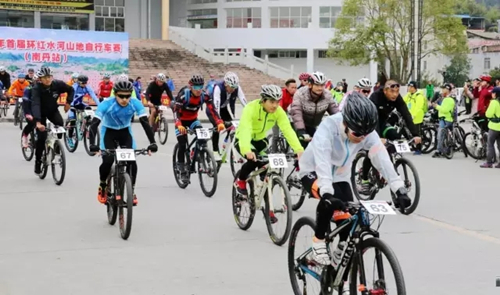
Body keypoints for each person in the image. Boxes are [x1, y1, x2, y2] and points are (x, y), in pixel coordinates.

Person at [299, 92, 411, 267]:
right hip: (313, 170)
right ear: (345, 123)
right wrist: (326, 192)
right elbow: (322, 161)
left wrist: (399, 188)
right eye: (358, 133)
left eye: (366, 134)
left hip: (341, 174)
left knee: (347, 222)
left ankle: (337, 269)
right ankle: (318, 241)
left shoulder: (366, 132)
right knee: (329, 202)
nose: (362, 137)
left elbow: (381, 159)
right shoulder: (328, 128)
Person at [234, 85, 304, 221]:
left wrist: (299, 149)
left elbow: (288, 130)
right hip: (243, 139)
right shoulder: (251, 108)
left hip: (260, 140)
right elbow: (245, 129)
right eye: (272, 102)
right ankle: (241, 181)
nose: (275, 105)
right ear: (263, 100)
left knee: (267, 174)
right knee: (253, 161)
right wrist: (247, 150)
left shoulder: (278, 112)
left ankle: (268, 208)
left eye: (278, 102)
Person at [88, 80, 157, 205]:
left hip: (125, 132)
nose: (125, 99)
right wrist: (93, 144)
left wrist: (153, 142)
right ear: (115, 94)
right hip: (108, 131)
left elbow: (145, 123)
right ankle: (103, 184)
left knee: (132, 162)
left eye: (127, 96)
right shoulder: (106, 103)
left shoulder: (135, 103)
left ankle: (132, 189)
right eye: (121, 96)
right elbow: (94, 124)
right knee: (108, 160)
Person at [358, 80, 422, 195]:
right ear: (385, 90)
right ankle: (365, 180)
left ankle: (389, 166)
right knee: (372, 150)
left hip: (383, 123)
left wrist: (415, 134)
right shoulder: (376, 97)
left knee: (396, 136)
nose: (395, 95)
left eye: (397, 92)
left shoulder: (397, 98)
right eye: (392, 91)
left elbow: (406, 115)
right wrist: (377, 138)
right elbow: (374, 118)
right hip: (370, 123)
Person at [173, 74, 224, 181]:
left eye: (200, 87)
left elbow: (212, 109)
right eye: (196, 87)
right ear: (191, 86)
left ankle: (196, 152)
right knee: (182, 144)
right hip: (181, 121)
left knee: (203, 138)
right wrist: (179, 125)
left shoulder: (204, 95)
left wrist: (219, 122)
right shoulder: (183, 95)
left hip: (193, 121)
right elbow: (175, 111)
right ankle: (181, 168)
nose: (198, 90)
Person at [31, 67, 74, 175]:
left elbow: (71, 90)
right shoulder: (37, 88)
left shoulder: (57, 84)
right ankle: (38, 161)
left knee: (60, 125)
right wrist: (38, 122)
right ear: (40, 78)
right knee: (41, 137)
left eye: (49, 77)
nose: (47, 79)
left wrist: (68, 102)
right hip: (40, 114)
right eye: (45, 78)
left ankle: (56, 147)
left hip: (52, 111)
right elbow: (35, 104)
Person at [290, 71, 338, 149]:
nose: (320, 88)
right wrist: (301, 129)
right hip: (298, 124)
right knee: (302, 149)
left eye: (322, 85)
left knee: (317, 148)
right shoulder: (300, 93)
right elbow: (296, 112)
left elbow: (335, 111)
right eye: (317, 85)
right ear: (310, 85)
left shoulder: (327, 95)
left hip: (313, 125)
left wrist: (344, 125)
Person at [209, 72, 247, 160]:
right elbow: (216, 106)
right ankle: (215, 151)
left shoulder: (236, 88)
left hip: (223, 108)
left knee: (232, 127)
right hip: (213, 109)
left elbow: (244, 101)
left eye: (235, 87)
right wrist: (218, 121)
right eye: (231, 87)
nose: (233, 89)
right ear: (226, 84)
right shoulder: (218, 87)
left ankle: (225, 147)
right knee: (217, 126)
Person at [66, 74, 100, 148]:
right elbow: (70, 97)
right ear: (78, 82)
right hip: (72, 104)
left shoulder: (87, 87)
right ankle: (70, 137)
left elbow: (94, 96)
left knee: (88, 110)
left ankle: (86, 126)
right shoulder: (74, 87)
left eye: (85, 83)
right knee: (73, 120)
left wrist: (100, 106)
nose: (84, 84)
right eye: (83, 83)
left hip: (80, 103)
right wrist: (71, 106)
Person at [270, 78, 297, 152]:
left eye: (295, 87)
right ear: (287, 87)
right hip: (275, 111)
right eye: (292, 87)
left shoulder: (296, 94)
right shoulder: (282, 93)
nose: (294, 89)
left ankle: (290, 149)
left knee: (290, 131)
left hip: (285, 111)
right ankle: (274, 152)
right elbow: (279, 107)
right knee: (275, 135)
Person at [432, 83, 456, 158]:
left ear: (447, 90)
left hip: (445, 119)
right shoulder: (446, 98)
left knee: (440, 135)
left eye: (443, 89)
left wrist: (436, 106)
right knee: (446, 135)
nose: (442, 90)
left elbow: (445, 110)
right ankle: (446, 149)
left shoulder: (449, 99)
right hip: (447, 119)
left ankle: (439, 150)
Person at [403, 81, 426, 155]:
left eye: (410, 87)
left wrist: (413, 115)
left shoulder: (419, 96)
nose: (409, 88)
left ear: (414, 88)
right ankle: (412, 145)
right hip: (409, 117)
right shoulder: (408, 95)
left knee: (417, 134)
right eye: (408, 86)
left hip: (417, 118)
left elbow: (419, 107)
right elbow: (402, 102)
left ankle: (418, 149)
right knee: (406, 131)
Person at [480, 87, 500, 168]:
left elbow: (488, 114)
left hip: (494, 126)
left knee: (490, 144)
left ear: (495, 94)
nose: (491, 94)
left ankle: (489, 162)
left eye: (492, 93)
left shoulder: (494, 102)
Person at [21, 74, 39, 148]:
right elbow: (25, 101)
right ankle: (25, 136)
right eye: (37, 81)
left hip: (39, 108)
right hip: (29, 108)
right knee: (31, 123)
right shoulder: (28, 89)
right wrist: (28, 113)